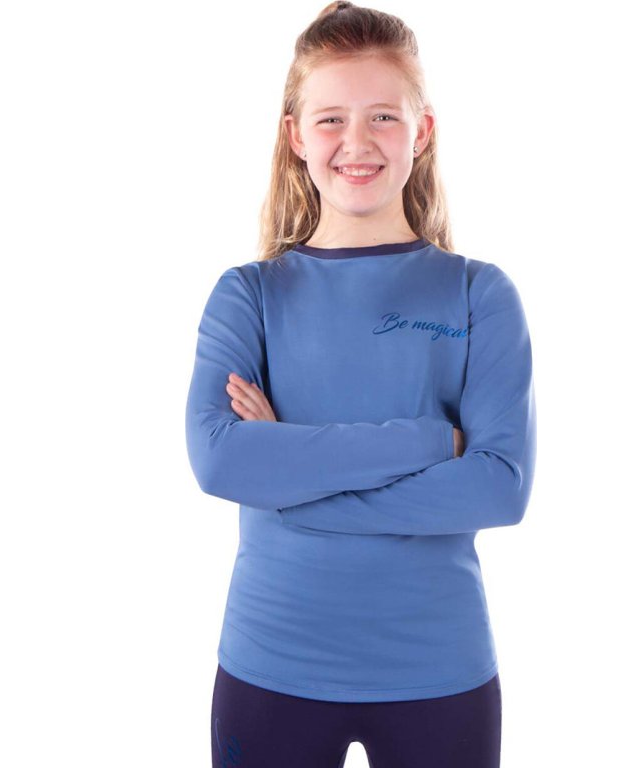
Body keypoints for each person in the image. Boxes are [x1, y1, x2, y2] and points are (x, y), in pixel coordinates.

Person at [184, 2, 536, 765]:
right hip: (271, 665)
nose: (357, 142)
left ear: (422, 131)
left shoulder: (479, 294)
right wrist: (430, 441)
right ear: (295, 136)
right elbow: (221, 461)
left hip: (439, 670)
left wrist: (291, 479)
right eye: (331, 119)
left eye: (383, 116)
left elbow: (498, 488)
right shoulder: (249, 296)